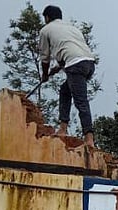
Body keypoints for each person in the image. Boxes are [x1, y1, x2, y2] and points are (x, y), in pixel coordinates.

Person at [38, 5, 97, 148]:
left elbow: (45, 58)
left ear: (47, 17)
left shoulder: (46, 30)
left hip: (75, 65)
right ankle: (63, 128)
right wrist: (57, 68)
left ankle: (89, 139)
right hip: (89, 64)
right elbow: (73, 51)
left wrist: (45, 75)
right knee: (65, 91)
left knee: (81, 101)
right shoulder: (72, 28)